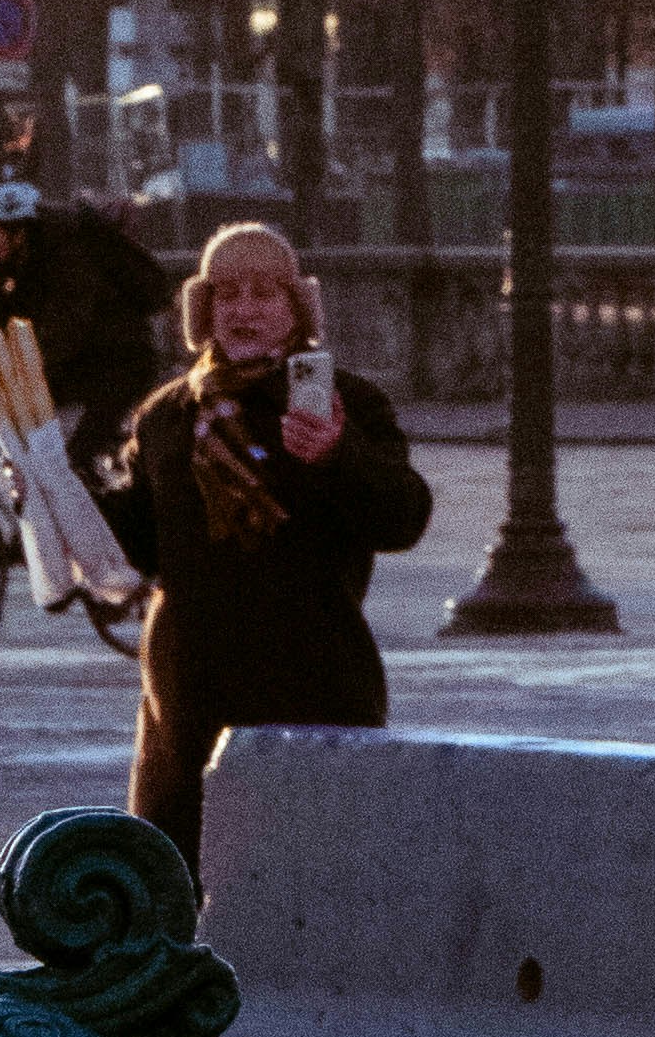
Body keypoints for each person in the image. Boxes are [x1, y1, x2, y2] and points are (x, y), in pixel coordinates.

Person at [100, 219, 430, 883]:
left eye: (264, 293)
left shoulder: (348, 403)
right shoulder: (167, 415)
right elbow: (136, 546)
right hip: (188, 692)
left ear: (296, 309)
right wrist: (52, 495)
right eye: (226, 295)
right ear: (202, 310)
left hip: (311, 678)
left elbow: (403, 517)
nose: (244, 309)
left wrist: (336, 457)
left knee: (313, 885)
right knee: (180, 891)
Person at [0, 175, 169, 486]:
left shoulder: (69, 254)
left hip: (121, 360)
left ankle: (97, 504)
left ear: (18, 231)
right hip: (84, 358)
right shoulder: (18, 260)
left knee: (77, 456)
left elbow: (66, 326)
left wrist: (19, 369)